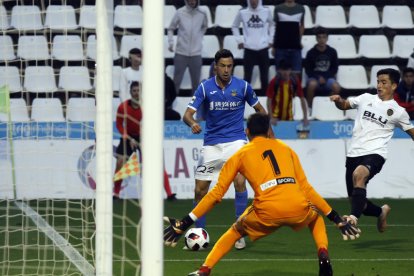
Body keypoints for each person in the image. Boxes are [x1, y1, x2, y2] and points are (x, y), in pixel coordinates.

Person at [164, 113, 361, 276]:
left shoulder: (240, 155)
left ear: (246, 132)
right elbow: (307, 189)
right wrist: (336, 219)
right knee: (315, 218)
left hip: (266, 210)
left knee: (235, 231)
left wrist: (185, 222)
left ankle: (204, 270)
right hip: (297, 206)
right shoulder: (287, 149)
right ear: (268, 131)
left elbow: (216, 195)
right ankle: (323, 255)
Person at [182, 49, 270, 250]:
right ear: (215, 66)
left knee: (240, 182)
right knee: (200, 190)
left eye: (229, 66)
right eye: (222, 65)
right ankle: (198, 234)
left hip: (236, 143)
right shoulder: (205, 88)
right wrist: (192, 123)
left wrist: (265, 136)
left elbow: (261, 112)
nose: (226, 70)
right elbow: (187, 115)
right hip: (211, 145)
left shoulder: (243, 86)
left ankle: (239, 233)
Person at [330, 68, 414, 232]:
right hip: (354, 154)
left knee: (359, 174)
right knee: (359, 203)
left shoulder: (398, 111)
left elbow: (411, 132)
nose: (379, 85)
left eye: (384, 82)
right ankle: (381, 211)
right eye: (378, 82)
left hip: (375, 154)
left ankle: (353, 218)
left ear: (394, 85)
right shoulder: (365, 98)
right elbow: (345, 105)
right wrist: (338, 100)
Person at [113, 81, 177, 201]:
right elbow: (119, 124)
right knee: (120, 163)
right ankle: (115, 194)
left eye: (138, 91)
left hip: (144, 137)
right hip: (128, 137)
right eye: (134, 91)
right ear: (130, 92)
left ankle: (169, 194)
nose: (137, 93)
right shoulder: (123, 107)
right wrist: (128, 137)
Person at [231, 0, 275, 96]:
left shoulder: (266, 11)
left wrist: (270, 40)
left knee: (264, 78)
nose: (253, 2)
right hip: (249, 49)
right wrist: (240, 41)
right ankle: (245, 100)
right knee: (247, 77)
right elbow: (234, 26)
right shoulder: (242, 12)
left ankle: (265, 101)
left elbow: (272, 25)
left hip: (263, 48)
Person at [168, 0, 208, 95]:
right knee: (176, 81)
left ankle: (194, 107)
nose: (191, 1)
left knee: (196, 83)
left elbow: (204, 27)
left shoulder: (202, 13)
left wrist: (199, 37)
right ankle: (171, 104)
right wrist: (171, 42)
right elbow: (171, 28)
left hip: (196, 54)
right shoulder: (180, 12)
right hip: (181, 53)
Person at [304, 27, 341, 109]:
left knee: (336, 87)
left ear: (327, 38)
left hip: (328, 78)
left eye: (324, 37)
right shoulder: (310, 53)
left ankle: (330, 106)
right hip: (314, 78)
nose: (321, 40)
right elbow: (308, 70)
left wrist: (326, 77)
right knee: (311, 85)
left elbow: (335, 69)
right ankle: (309, 108)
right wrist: (318, 77)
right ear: (316, 38)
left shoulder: (332, 52)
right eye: (319, 37)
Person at [266, 59, 309, 126]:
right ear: (279, 70)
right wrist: (271, 117)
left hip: (289, 118)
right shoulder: (274, 82)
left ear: (290, 70)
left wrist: (305, 117)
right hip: (275, 119)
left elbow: (302, 99)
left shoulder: (295, 81)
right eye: (283, 70)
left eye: (287, 70)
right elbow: (269, 100)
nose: (285, 72)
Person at [272, 0, 304, 77]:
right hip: (280, 47)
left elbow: (302, 26)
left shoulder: (301, 8)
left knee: (296, 75)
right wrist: (273, 45)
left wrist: (299, 40)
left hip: (295, 47)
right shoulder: (278, 8)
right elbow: (274, 27)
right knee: (280, 75)